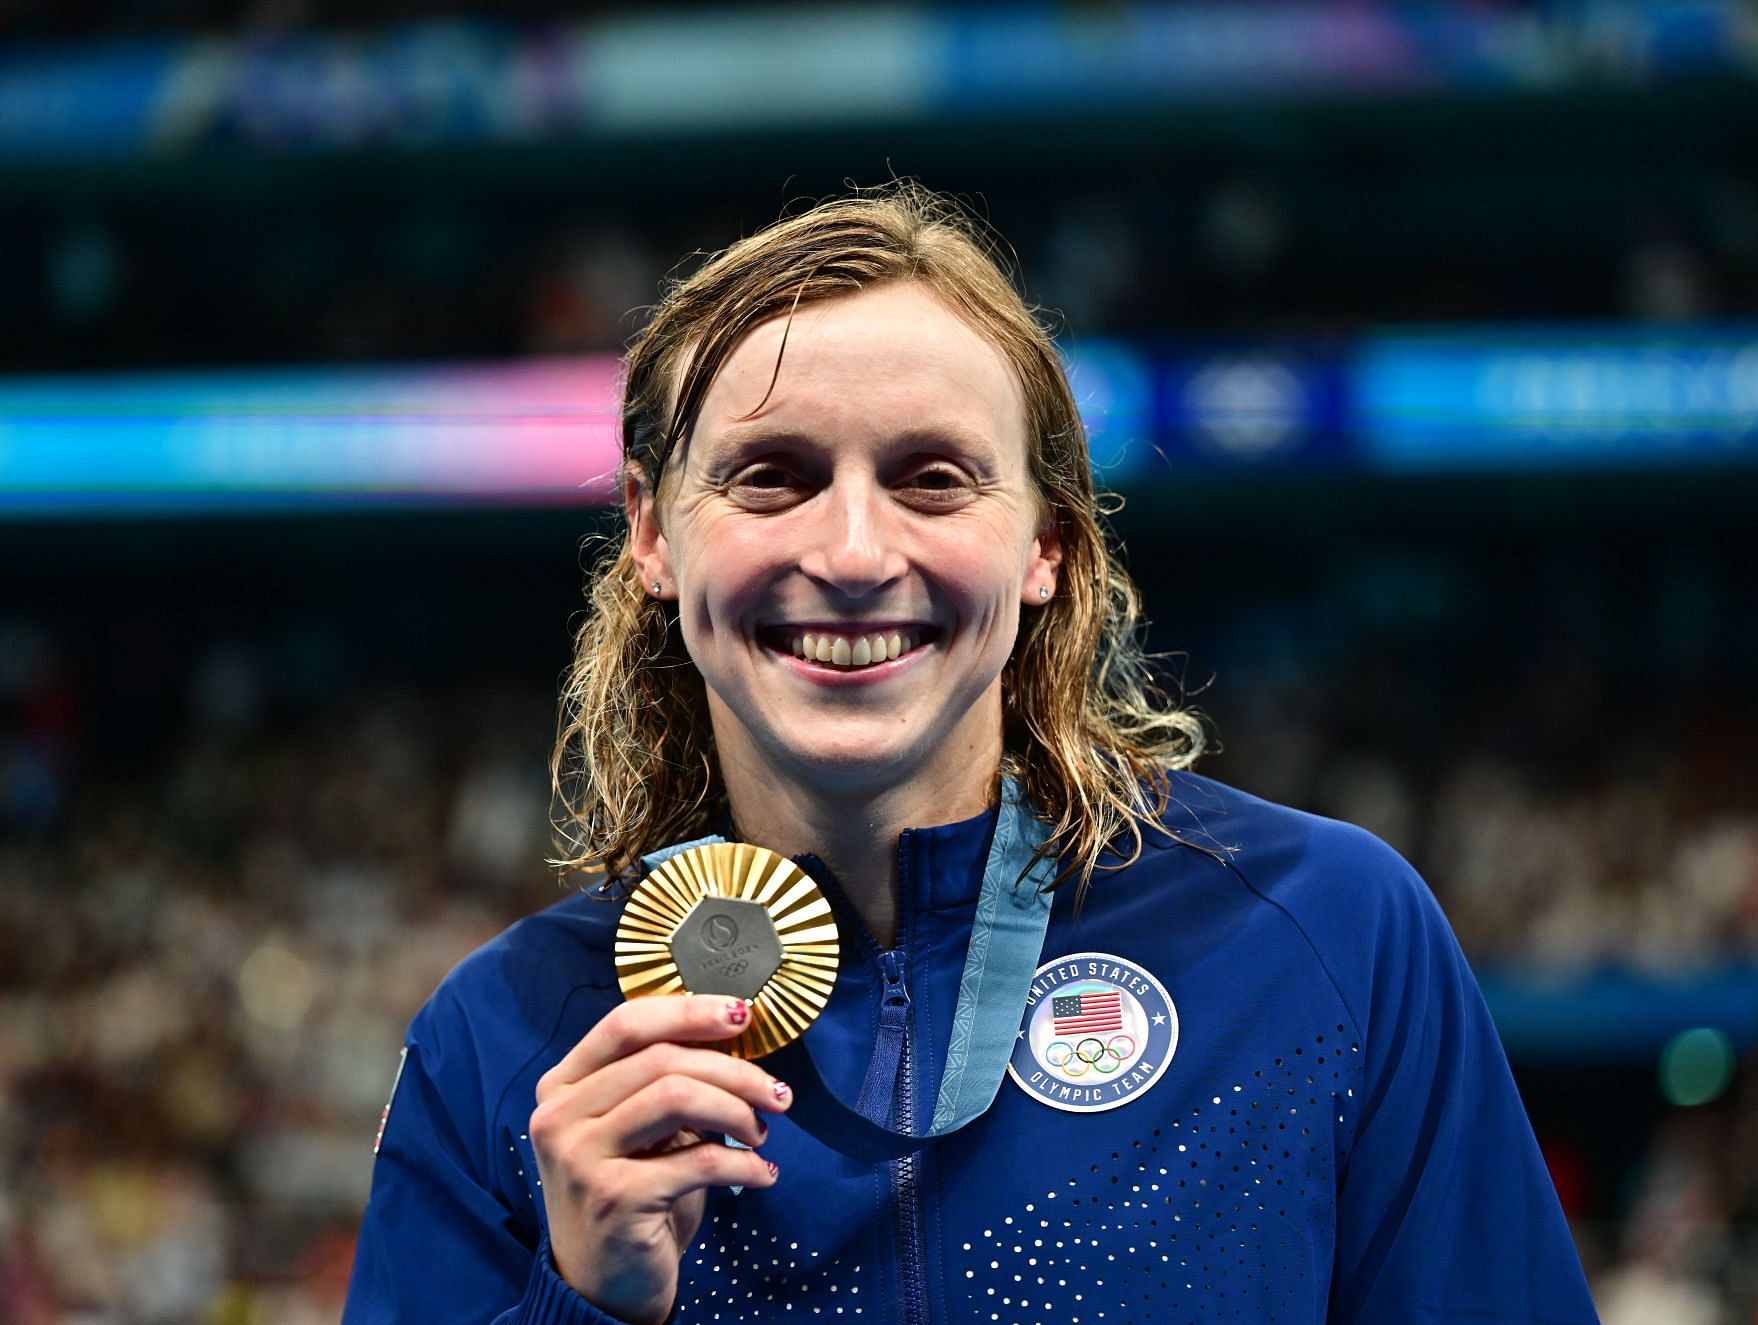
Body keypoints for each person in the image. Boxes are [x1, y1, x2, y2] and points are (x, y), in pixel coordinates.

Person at [343, 185, 1601, 1325]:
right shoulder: (507, 1044)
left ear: (1044, 542)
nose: (849, 551)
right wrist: (587, 1308)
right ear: (652, 533)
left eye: (932, 478)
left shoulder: (1326, 942)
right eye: (771, 477)